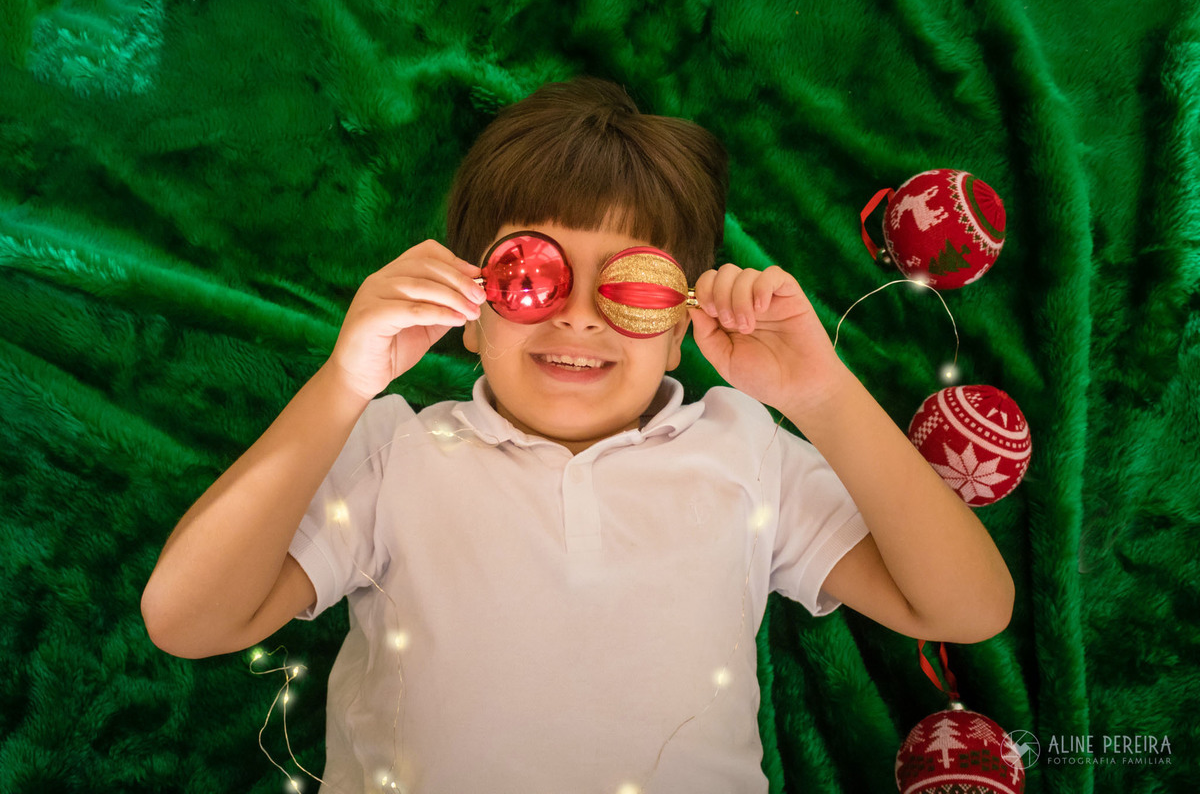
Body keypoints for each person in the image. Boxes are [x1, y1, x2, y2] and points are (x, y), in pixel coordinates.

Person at [141, 78, 1014, 793]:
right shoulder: (391, 450)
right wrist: (345, 382)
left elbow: (967, 609)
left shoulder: (742, 447)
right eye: (531, 278)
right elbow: (187, 621)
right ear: (470, 313)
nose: (581, 320)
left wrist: (822, 394)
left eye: (631, 289)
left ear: (680, 325)